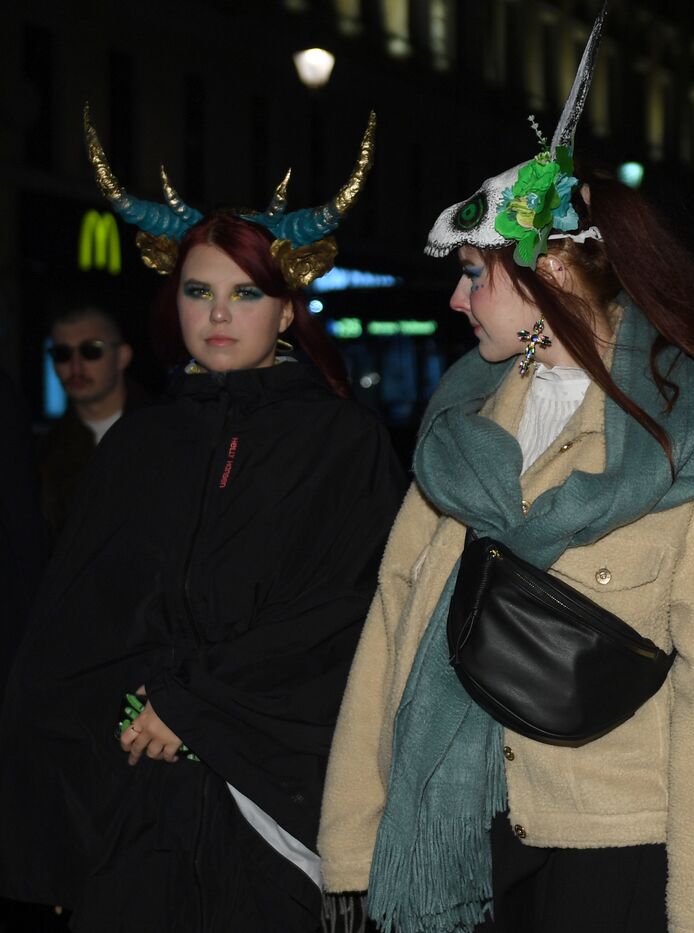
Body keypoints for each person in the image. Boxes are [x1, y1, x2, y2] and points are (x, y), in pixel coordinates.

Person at [318, 11, 694, 933]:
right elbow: (392, 633)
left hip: (617, 854)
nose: (455, 298)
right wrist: (352, 845)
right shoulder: (459, 432)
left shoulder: (681, 442)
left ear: (553, 273)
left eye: (475, 275)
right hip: (455, 844)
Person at [0, 111, 405, 932]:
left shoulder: (342, 441)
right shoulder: (141, 442)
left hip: (271, 813)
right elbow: (75, 626)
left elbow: (350, 615)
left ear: (288, 310)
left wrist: (196, 708)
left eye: (245, 294)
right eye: (198, 291)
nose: (218, 315)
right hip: (138, 807)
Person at [39, 303, 148, 538]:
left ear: (122, 357)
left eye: (91, 350)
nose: (75, 366)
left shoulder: (166, 433)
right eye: (62, 354)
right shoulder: (42, 453)